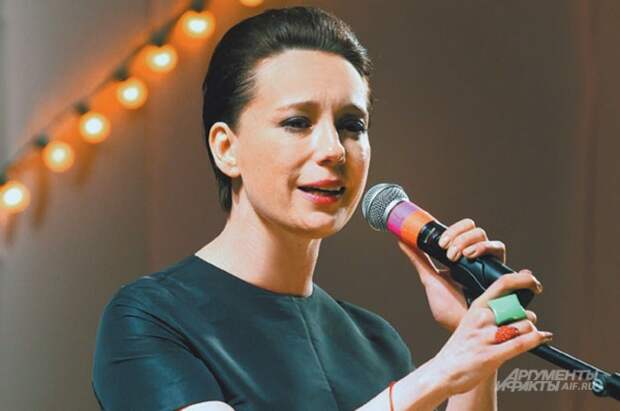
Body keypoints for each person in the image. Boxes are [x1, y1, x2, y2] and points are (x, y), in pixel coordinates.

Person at [92, 6, 551, 411]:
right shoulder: (151, 319)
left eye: (352, 125)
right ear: (226, 149)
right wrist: (438, 375)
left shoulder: (376, 342)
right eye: (298, 122)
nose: (334, 149)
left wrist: (477, 344)